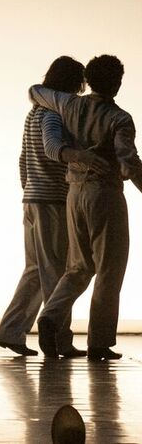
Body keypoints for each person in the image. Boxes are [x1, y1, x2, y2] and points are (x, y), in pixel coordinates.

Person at [31, 55, 142, 361]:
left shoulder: (69, 105)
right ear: (117, 82)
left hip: (74, 193)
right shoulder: (120, 118)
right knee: (109, 270)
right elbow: (128, 163)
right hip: (105, 196)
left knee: (78, 268)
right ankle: (99, 342)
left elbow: (36, 90)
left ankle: (50, 315)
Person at [0, 56, 101, 358]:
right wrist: (82, 157)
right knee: (58, 272)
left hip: (33, 200)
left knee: (35, 270)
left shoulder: (33, 113)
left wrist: (29, 188)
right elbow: (54, 148)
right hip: (52, 200)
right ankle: (58, 339)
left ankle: (11, 331)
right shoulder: (54, 114)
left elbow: (23, 159)